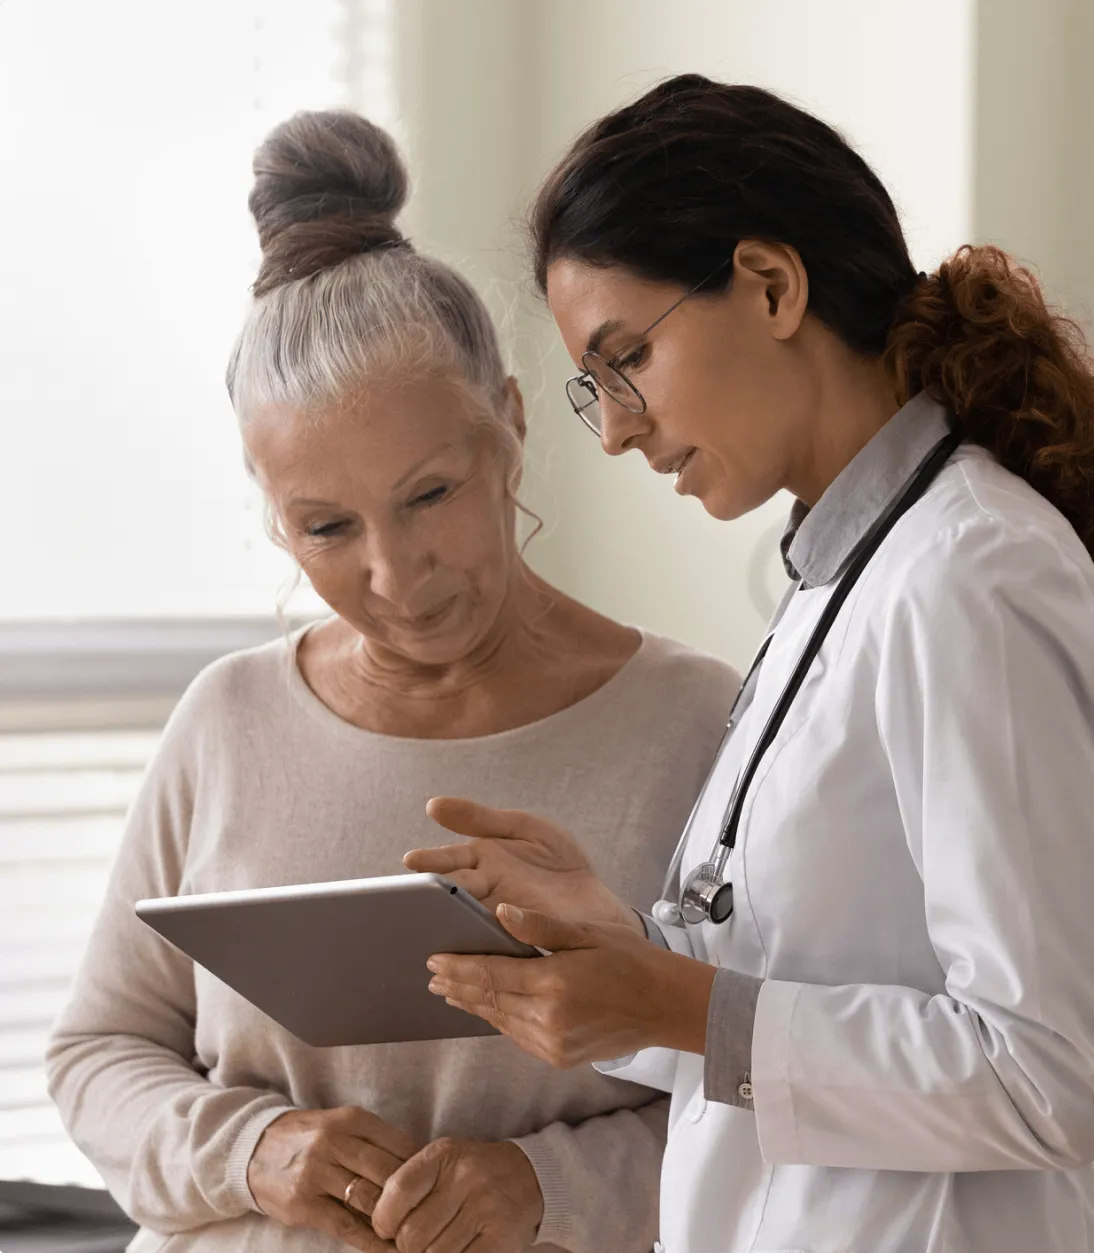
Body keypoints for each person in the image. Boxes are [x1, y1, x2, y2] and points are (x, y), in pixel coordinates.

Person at [404, 75, 1094, 1253]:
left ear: (771, 286)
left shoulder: (971, 576)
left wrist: (682, 1001)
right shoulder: (844, 572)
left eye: (626, 359)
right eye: (594, 388)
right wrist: (623, 951)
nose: (616, 427)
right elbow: (811, 974)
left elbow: (1048, 1072)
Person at [45, 110, 740, 1253]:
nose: (394, 574)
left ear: (511, 425)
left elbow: (764, 1084)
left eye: (430, 496)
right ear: (275, 521)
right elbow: (98, 1053)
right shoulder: (226, 721)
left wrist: (543, 1183)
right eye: (325, 526)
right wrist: (251, 1153)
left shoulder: (696, 723)